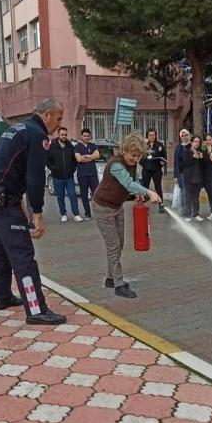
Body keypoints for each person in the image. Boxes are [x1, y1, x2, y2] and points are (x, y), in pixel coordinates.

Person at [0, 98, 67, 325]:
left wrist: (19, 200)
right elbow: (35, 177)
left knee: (0, 248)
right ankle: (36, 309)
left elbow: (7, 167)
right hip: (2, 199)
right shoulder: (38, 135)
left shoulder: (18, 128)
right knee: (22, 255)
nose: (59, 124)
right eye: (58, 118)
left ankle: (3, 296)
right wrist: (37, 213)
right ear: (46, 115)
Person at [92, 131, 161, 298]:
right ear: (124, 150)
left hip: (116, 206)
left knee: (119, 244)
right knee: (113, 245)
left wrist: (139, 192)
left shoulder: (131, 163)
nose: (135, 159)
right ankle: (118, 284)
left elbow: (133, 180)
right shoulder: (116, 164)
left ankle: (110, 278)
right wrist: (149, 192)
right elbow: (127, 182)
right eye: (133, 155)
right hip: (103, 207)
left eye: (138, 156)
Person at [46, 126, 82, 222]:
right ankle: (63, 214)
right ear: (58, 135)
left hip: (69, 177)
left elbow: (75, 161)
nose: (64, 136)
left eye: (65, 135)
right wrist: (54, 169)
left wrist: (72, 169)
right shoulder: (52, 147)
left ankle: (76, 214)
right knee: (60, 197)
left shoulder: (71, 147)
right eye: (62, 134)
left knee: (72, 195)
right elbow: (47, 160)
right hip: (57, 177)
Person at [139, 128, 167, 214]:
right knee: (144, 186)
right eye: (150, 135)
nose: (152, 137)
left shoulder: (160, 145)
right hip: (146, 169)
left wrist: (162, 163)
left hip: (156, 169)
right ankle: (143, 202)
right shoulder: (143, 145)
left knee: (158, 187)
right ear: (147, 136)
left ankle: (161, 204)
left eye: (153, 135)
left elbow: (164, 157)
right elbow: (139, 156)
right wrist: (144, 164)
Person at [74, 128, 100, 220]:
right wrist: (91, 157)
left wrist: (85, 156)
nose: (86, 137)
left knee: (96, 195)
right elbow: (79, 159)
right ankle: (87, 214)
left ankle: (98, 213)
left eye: (88, 136)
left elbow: (97, 156)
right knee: (84, 195)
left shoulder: (93, 145)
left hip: (93, 174)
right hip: (82, 175)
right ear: (81, 136)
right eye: (84, 136)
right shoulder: (77, 147)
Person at [183, 135, 205, 222]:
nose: (197, 144)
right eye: (195, 142)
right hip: (189, 178)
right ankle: (188, 214)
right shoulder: (187, 152)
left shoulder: (200, 152)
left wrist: (202, 159)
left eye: (198, 142)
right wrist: (193, 157)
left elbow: (203, 166)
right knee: (188, 197)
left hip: (198, 178)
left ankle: (196, 214)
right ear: (191, 142)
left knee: (196, 197)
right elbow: (185, 164)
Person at [173, 129, 191, 216]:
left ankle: (189, 211)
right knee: (182, 192)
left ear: (189, 136)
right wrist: (175, 176)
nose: (184, 137)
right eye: (182, 136)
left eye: (186, 135)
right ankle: (184, 210)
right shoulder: (178, 147)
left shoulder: (192, 146)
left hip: (190, 174)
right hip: (181, 174)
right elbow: (175, 162)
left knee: (187, 193)